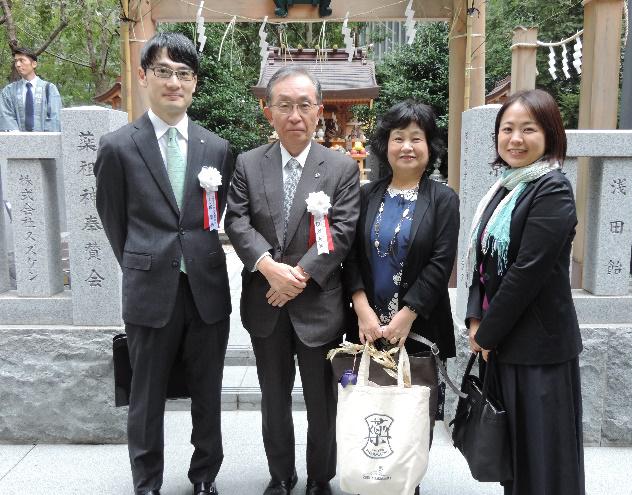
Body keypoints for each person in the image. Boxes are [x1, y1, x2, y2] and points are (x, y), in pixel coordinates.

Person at [94, 33, 233, 495]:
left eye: (184, 74)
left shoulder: (216, 148)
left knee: (207, 394)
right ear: (143, 76)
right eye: (164, 72)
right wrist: (145, 263)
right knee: (145, 395)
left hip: (207, 289)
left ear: (194, 83)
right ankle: (147, 482)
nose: (175, 82)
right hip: (149, 289)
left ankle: (204, 477)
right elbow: (115, 221)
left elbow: (216, 217)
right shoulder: (118, 146)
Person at [225, 66, 360, 495]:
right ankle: (280, 476)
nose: (294, 114)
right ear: (269, 111)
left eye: (304, 105)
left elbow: (342, 230)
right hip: (266, 301)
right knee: (274, 400)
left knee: (323, 404)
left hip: (318, 305)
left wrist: (297, 275)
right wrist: (269, 267)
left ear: (319, 111)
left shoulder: (341, 168)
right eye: (284, 104)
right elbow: (238, 220)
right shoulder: (248, 163)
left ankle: (321, 478)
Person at [465, 89, 584, 495]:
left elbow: (526, 272)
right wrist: (475, 317)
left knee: (544, 461)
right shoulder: (504, 188)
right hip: (504, 345)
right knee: (513, 456)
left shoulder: (552, 189)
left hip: (538, 349)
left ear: (549, 135)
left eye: (528, 129)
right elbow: (482, 261)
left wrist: (487, 333)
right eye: (507, 129)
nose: (515, 139)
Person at [343, 100, 460, 494]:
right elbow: (351, 257)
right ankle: (369, 481)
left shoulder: (443, 199)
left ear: (430, 146)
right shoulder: (365, 195)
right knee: (369, 410)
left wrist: (406, 316)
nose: (407, 146)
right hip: (366, 328)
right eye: (398, 138)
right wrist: (361, 309)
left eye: (416, 138)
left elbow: (441, 263)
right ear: (385, 145)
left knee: (412, 416)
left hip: (419, 327)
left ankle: (406, 485)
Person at [0, 47, 61, 131]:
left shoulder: (49, 89)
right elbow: (6, 117)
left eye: (21, 60)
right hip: (18, 142)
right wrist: (19, 140)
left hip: (45, 141)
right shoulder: (9, 91)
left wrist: (45, 140)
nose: (18, 64)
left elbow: (55, 118)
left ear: (34, 64)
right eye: (16, 61)